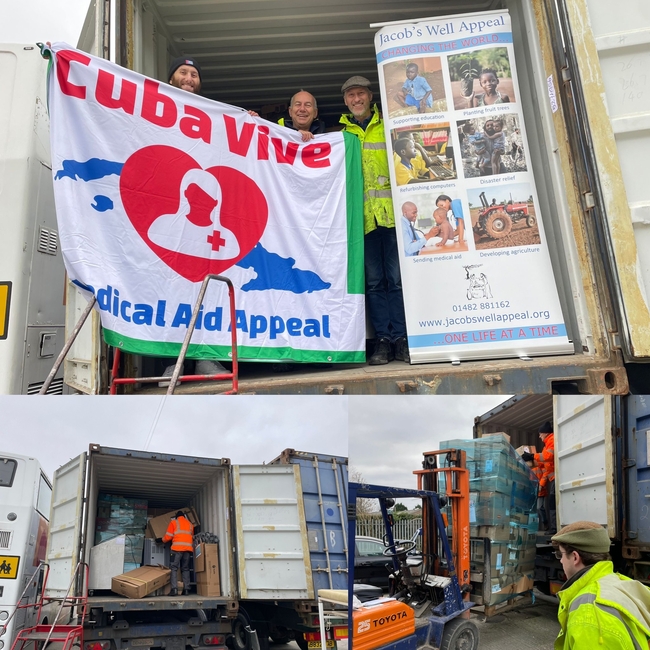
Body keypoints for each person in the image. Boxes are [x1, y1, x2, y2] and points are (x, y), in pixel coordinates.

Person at [160, 56, 233, 383]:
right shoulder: (157, 104)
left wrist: (251, 122)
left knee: (208, 292)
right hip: (176, 229)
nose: (189, 78)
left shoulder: (212, 111)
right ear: (172, 78)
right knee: (171, 293)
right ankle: (172, 363)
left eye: (194, 74)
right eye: (183, 73)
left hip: (205, 237)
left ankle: (205, 359)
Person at [340, 75, 408, 365]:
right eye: (351, 96)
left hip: (392, 218)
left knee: (396, 280)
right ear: (346, 101)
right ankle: (382, 339)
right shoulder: (342, 135)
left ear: (370, 97)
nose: (356, 100)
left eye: (361, 94)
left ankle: (402, 339)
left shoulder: (389, 125)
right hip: (363, 222)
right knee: (374, 282)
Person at [552, 521, 650, 649]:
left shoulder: (588, 612)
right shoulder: (620, 583)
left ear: (575, 557)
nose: (560, 560)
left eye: (561, 554)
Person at [522, 421, 556, 533]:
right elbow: (544, 462)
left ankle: (554, 528)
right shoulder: (546, 445)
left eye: (540, 434)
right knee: (550, 503)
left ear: (545, 433)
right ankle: (553, 527)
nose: (539, 436)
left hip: (556, 477)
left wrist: (532, 455)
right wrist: (532, 459)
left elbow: (549, 456)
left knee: (551, 503)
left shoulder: (551, 440)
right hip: (553, 479)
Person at [162, 511, 194, 596]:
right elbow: (191, 536)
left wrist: (162, 540)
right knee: (185, 568)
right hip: (187, 550)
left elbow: (168, 536)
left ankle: (174, 589)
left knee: (173, 568)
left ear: (176, 517)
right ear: (184, 516)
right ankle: (186, 589)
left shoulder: (174, 522)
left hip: (176, 549)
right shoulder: (190, 524)